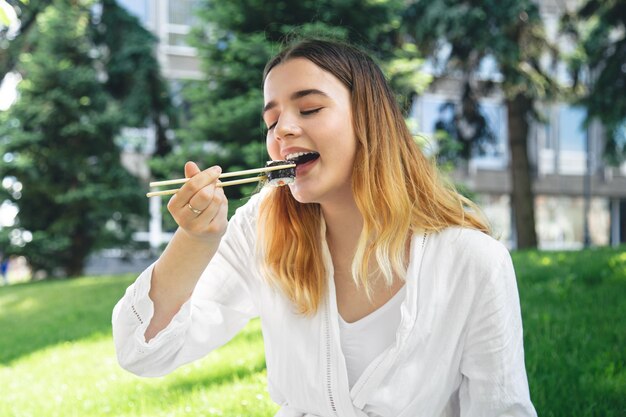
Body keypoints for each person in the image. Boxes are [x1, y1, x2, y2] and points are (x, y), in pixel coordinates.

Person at [112, 38, 537, 417]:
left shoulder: (473, 262)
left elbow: (501, 408)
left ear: (369, 120)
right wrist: (195, 240)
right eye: (271, 122)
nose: (284, 131)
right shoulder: (261, 226)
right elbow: (141, 350)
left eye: (310, 108)